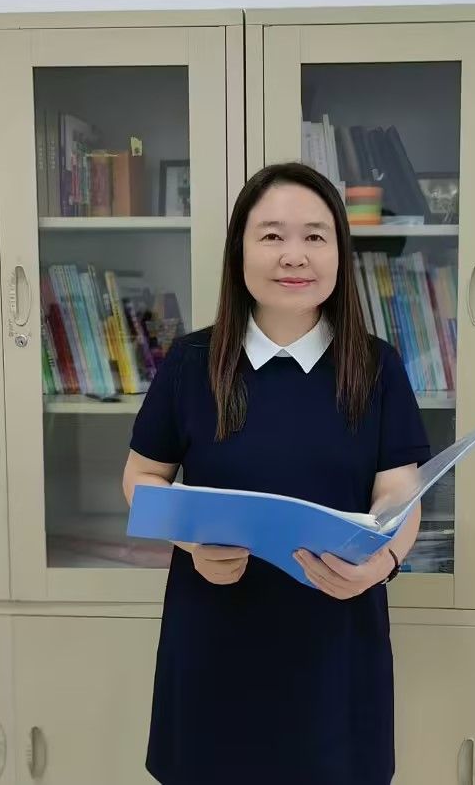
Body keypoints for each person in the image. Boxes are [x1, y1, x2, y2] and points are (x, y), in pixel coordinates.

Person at [122, 161, 430, 785]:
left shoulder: (376, 365)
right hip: (214, 638)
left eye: (315, 236)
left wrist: (382, 564)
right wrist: (192, 541)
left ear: (339, 253)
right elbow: (142, 477)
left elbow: (400, 490)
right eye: (271, 236)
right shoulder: (191, 362)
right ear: (240, 251)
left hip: (337, 642)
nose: (295, 255)